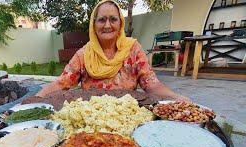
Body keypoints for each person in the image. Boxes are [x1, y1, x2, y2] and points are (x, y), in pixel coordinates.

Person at [36, 0, 189, 101]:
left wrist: (177, 97)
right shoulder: (84, 55)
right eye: (102, 19)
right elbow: (60, 84)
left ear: (120, 24)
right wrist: (35, 98)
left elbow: (152, 85)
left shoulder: (133, 49)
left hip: (127, 117)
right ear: (94, 25)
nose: (107, 25)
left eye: (113, 19)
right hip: (93, 120)